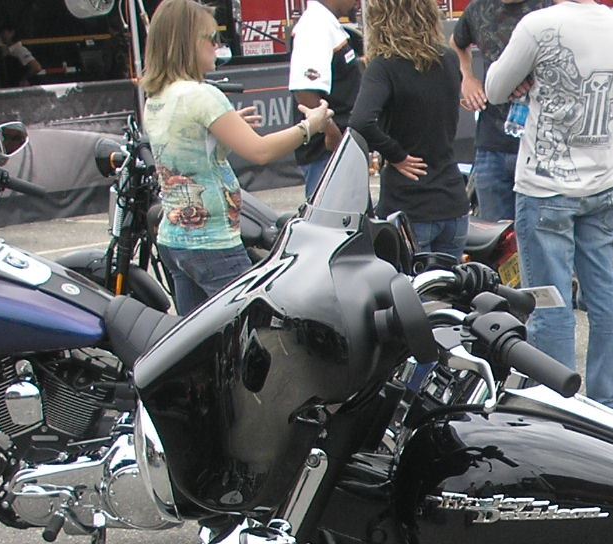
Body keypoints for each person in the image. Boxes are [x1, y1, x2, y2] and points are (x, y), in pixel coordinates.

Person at [487, 0, 613, 409]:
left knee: (550, 303)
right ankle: (610, 404)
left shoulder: (539, 25)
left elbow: (494, 88)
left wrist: (529, 79)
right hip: (602, 181)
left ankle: (557, 405)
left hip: (546, 186)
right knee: (604, 296)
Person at [141, 0, 332, 311]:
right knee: (252, 325)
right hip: (213, 242)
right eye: (211, 38)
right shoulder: (203, 96)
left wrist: (224, 131)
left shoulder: (158, 97)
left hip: (176, 240)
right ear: (189, 43)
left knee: (199, 343)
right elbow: (261, 151)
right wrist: (310, 126)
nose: (218, 46)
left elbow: (189, 153)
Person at [350, 0, 469, 260]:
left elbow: (360, 121)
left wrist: (396, 155)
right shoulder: (448, 59)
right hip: (453, 201)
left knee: (412, 295)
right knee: (450, 294)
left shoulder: (384, 66)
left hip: (409, 205)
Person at [453, 0, 547, 223]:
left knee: (539, 240)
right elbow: (457, 42)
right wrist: (467, 78)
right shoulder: (479, 8)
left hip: (541, 146)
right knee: (497, 242)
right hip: (491, 145)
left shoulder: (549, 7)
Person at [289, 0, 362, 198]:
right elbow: (305, 93)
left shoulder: (328, 24)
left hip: (339, 152)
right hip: (326, 154)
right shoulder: (315, 26)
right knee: (331, 225)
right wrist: (332, 133)